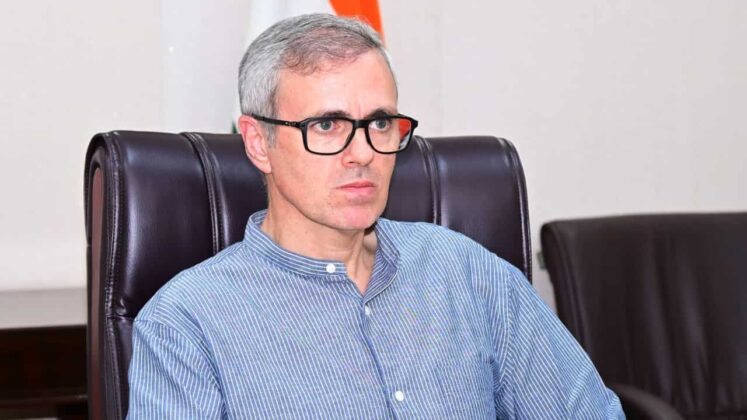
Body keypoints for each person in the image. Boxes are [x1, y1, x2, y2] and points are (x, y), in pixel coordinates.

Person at [127, 13, 624, 419]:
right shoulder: (186, 324)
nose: (363, 153)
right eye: (327, 125)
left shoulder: (468, 273)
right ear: (258, 142)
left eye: (380, 123)